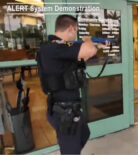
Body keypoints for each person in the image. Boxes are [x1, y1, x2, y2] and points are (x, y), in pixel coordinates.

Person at [36, 14, 101, 154]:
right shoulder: (54, 48)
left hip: (69, 108)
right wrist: (89, 41)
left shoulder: (61, 49)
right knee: (70, 151)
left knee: (84, 133)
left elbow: (86, 55)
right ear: (71, 28)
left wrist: (95, 45)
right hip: (64, 111)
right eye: (76, 30)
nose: (76, 34)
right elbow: (88, 50)